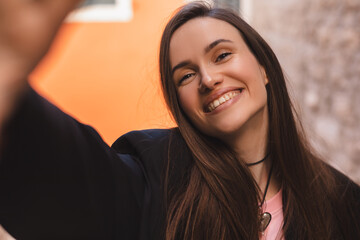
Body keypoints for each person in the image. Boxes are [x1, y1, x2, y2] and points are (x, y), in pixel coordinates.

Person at [0, 1, 359, 239]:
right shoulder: (156, 173)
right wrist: (9, 77)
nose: (208, 79)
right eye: (185, 76)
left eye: (221, 55)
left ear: (264, 67)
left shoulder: (340, 201)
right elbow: (72, 183)